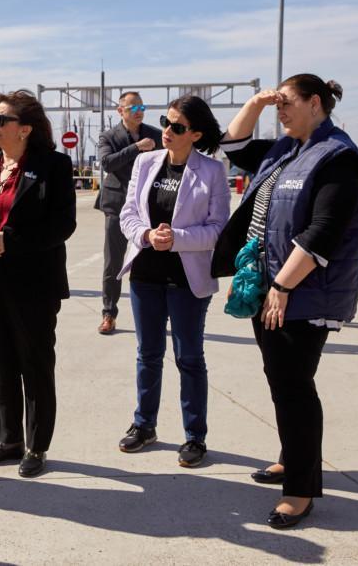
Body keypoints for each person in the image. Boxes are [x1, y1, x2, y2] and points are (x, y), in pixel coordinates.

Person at [211, 74, 358, 529]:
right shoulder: (286, 149)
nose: (279, 112)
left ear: (316, 103)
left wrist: (281, 287)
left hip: (302, 292)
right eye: (276, 105)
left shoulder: (337, 157)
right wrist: (257, 103)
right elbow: (233, 145)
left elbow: (322, 231)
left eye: (287, 103)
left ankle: (300, 490)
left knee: (294, 386)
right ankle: (291, 457)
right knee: (281, 380)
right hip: (271, 287)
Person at [0, 90, 76, 478]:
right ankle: (8, 440)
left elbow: (62, 225)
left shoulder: (53, 165)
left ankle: (36, 445)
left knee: (34, 364)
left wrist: (10, 241)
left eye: (1, 119)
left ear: (24, 129)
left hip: (34, 282)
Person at [116, 96, 229, 467]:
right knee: (147, 355)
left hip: (187, 280)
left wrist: (176, 238)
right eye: (166, 121)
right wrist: (147, 236)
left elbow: (218, 230)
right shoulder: (145, 162)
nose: (167, 130)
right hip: (145, 274)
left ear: (195, 134)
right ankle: (143, 424)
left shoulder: (212, 171)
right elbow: (128, 213)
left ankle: (195, 437)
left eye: (177, 126)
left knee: (189, 358)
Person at [95, 91, 161, 335]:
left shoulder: (155, 134)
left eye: (141, 107)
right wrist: (136, 148)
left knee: (148, 262)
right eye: (133, 108)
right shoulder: (108, 136)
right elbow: (107, 164)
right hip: (116, 205)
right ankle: (108, 313)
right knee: (114, 262)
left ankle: (152, 316)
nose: (139, 112)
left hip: (148, 208)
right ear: (120, 110)